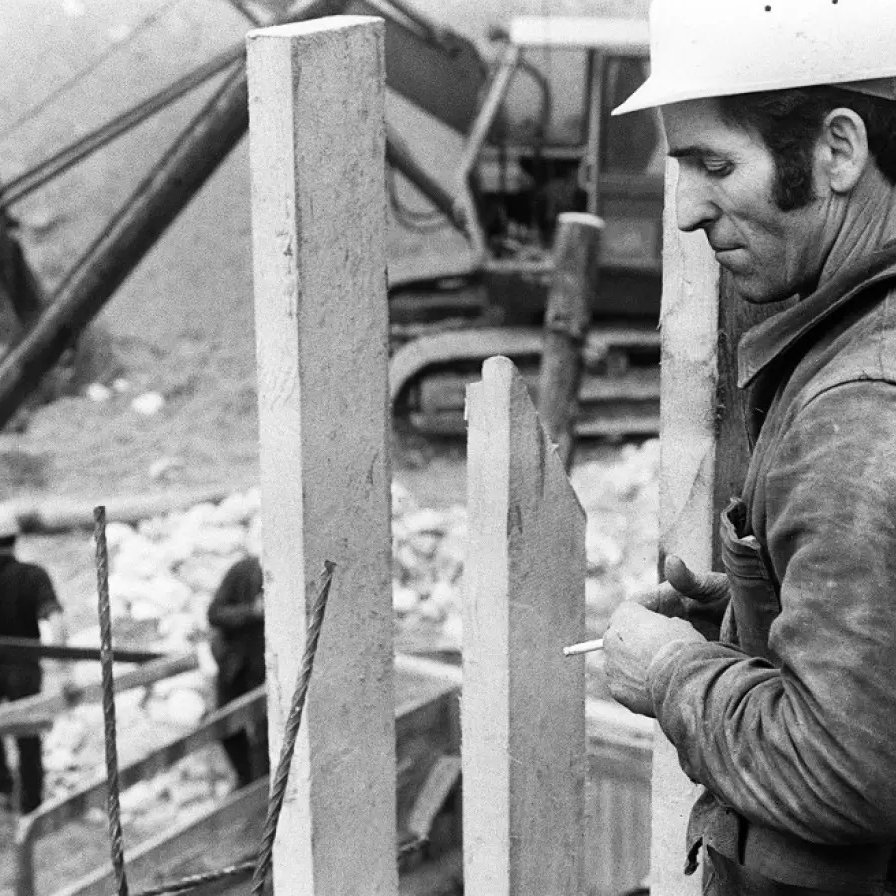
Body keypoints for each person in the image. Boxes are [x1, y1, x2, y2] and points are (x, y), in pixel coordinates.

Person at [603, 1, 896, 893]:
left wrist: (673, 673)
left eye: (713, 163)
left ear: (839, 150)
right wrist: (761, 614)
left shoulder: (858, 409)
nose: (687, 209)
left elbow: (843, 774)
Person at [0, 508, 66, 814]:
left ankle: (3, 792)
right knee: (28, 735)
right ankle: (32, 805)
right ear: (16, 539)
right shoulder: (32, 575)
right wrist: (61, 663)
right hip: (25, 668)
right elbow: (56, 619)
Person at [207, 555, 268, 789]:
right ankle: (246, 781)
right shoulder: (243, 571)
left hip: (263, 674)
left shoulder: (288, 576)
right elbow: (215, 613)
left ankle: (259, 798)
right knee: (226, 729)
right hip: (235, 669)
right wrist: (251, 611)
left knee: (264, 736)